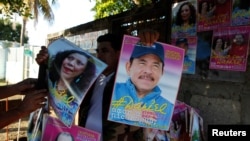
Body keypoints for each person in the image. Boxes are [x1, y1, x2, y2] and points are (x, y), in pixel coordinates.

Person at [36, 30, 160, 141]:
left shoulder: (130, 82)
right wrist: (44, 64)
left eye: (105, 51)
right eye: (98, 51)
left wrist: (148, 38)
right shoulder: (87, 80)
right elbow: (51, 87)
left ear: (118, 54)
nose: (99, 55)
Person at [109, 42, 174, 130]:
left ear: (162, 72)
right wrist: (125, 113)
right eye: (142, 63)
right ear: (128, 67)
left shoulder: (169, 109)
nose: (148, 71)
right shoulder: (111, 90)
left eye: (155, 65)